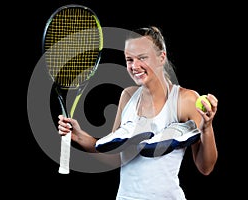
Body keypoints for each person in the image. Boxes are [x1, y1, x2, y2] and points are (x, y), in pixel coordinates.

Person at [58, 26, 218, 200]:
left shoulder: (185, 100)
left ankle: (176, 131)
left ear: (161, 58)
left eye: (142, 58)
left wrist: (206, 128)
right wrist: (80, 136)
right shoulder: (127, 96)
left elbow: (205, 168)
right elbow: (115, 156)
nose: (135, 66)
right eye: (129, 59)